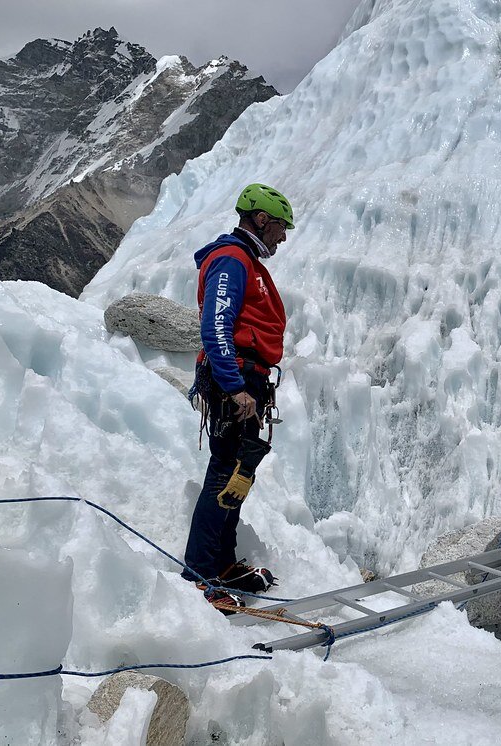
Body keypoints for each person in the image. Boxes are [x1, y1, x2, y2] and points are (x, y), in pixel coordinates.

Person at [182, 183, 293, 610]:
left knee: (236, 475)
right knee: (224, 471)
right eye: (280, 227)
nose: (282, 237)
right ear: (261, 220)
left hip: (249, 378)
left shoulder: (243, 259)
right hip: (238, 379)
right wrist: (234, 385)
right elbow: (216, 326)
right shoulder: (231, 260)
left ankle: (221, 563)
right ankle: (199, 574)